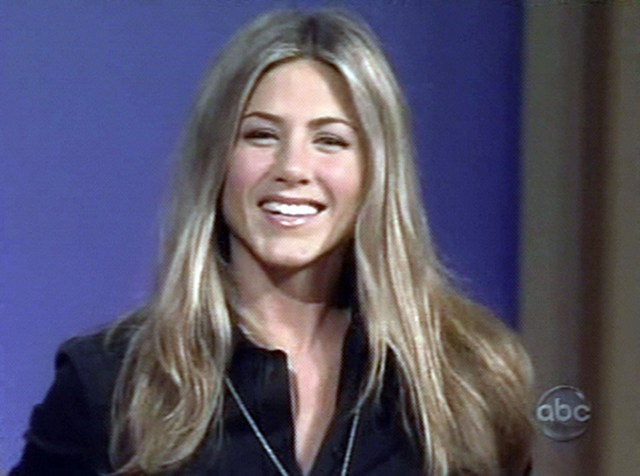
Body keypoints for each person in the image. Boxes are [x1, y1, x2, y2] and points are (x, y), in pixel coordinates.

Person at [11, 9, 534, 476]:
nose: (293, 168)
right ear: (217, 158)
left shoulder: (469, 377)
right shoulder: (112, 383)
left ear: (377, 170)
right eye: (261, 135)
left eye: (330, 140)